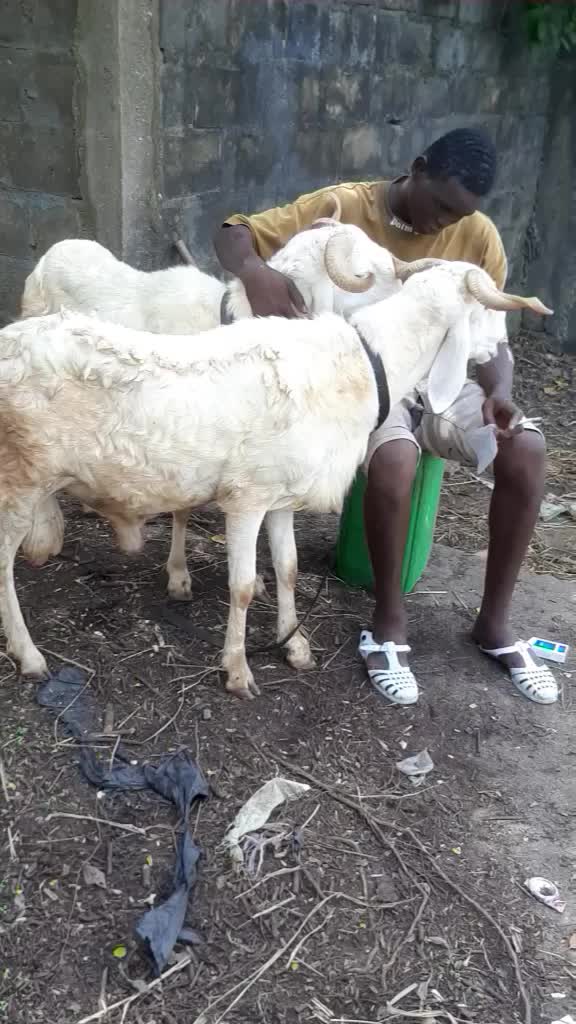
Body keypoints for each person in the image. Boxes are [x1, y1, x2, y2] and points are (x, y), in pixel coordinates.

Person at [214, 127, 558, 707]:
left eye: (458, 214)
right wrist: (255, 271)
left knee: (526, 448)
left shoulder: (478, 236)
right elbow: (233, 231)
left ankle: (495, 624)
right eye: (440, 204)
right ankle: (389, 625)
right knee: (395, 457)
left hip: (444, 380)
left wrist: (499, 390)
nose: (444, 222)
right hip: (366, 384)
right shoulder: (346, 205)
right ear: (416, 169)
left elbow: (491, 334)